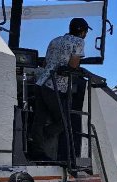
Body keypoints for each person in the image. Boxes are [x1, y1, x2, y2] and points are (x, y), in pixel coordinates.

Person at [29, 17, 91, 159]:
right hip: (54, 87)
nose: (86, 35)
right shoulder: (79, 42)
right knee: (64, 121)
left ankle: (36, 149)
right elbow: (73, 65)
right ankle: (44, 136)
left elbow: (45, 63)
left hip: (40, 84)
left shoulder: (55, 40)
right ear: (82, 32)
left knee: (39, 118)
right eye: (86, 32)